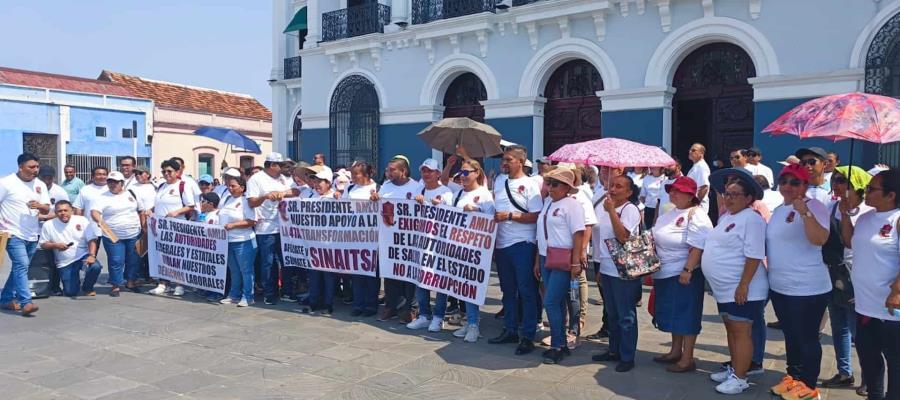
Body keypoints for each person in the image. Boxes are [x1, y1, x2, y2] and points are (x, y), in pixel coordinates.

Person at [766, 164, 832, 400]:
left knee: (807, 337)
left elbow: (819, 239)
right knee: (791, 335)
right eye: (784, 181)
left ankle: (809, 385)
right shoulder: (778, 209)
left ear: (805, 185)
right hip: (780, 286)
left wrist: (805, 212)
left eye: (795, 182)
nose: (788, 187)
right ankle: (793, 376)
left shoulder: (815, 206)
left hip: (807, 287)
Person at [702, 174, 767, 394]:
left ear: (749, 198)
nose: (729, 199)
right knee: (732, 329)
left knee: (741, 331)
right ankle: (735, 368)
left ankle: (741, 377)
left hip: (742, 287)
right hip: (724, 288)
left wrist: (744, 285)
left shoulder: (752, 219)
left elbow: (754, 254)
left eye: (735, 195)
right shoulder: (727, 217)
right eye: (726, 194)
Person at [650, 176, 713, 373]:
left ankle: (688, 358)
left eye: (678, 191)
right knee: (673, 313)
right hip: (664, 272)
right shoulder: (669, 212)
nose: (673, 193)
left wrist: (688, 269)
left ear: (690, 195)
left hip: (684, 273)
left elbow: (698, 246)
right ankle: (675, 350)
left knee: (686, 314)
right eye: (671, 190)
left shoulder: (697, 214)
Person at [820, 166, 873, 390]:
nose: (837, 185)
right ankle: (844, 372)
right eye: (836, 180)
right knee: (839, 324)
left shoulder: (866, 212)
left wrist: (846, 215)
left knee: (859, 330)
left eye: (843, 181)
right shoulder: (831, 206)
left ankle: (869, 377)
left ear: (858, 186)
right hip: (833, 271)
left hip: (855, 273)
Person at [848, 169, 900, 400]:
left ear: (891, 195)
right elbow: (850, 242)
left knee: (895, 360)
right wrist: (843, 214)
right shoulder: (866, 217)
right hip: (865, 303)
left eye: (871, 189)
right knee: (868, 357)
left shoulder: (897, 220)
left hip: (891, 307)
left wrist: (897, 291)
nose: (865, 192)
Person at [488, 146, 543, 355]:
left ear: (520, 162)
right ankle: (510, 328)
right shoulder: (499, 182)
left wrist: (510, 217)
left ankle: (527, 334)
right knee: (507, 290)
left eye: (509, 159)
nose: (505, 163)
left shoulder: (530, 185)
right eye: (504, 159)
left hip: (522, 244)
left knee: (526, 290)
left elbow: (536, 215)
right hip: (502, 244)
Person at [591, 174, 643, 372]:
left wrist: (612, 211)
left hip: (624, 270)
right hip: (606, 267)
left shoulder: (629, 210)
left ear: (629, 192)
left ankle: (627, 355)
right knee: (612, 313)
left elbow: (623, 237)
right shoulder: (605, 207)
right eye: (612, 185)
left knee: (625, 314)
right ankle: (614, 349)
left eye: (619, 186)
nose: (613, 189)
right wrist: (599, 267)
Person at [534, 168, 585, 364]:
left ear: (566, 187)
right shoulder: (548, 203)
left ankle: (557, 344)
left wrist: (575, 261)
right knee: (557, 302)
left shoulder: (571, 205)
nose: (550, 188)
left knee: (551, 301)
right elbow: (541, 233)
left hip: (563, 257)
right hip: (547, 256)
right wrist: (538, 260)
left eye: (555, 184)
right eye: (549, 183)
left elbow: (578, 233)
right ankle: (561, 342)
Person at [372, 155, 424, 323]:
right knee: (390, 274)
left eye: (393, 170)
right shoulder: (385, 186)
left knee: (409, 275)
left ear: (403, 171)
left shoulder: (416, 187)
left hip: (409, 240)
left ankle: (411, 308)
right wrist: (374, 199)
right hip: (389, 239)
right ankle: (390, 307)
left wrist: (420, 201)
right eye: (388, 169)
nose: (389, 173)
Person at [449, 159, 494, 342]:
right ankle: (469, 320)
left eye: (467, 172)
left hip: (476, 247)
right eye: (461, 172)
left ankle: (474, 323)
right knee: (462, 285)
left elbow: (491, 219)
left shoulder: (484, 194)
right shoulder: (458, 194)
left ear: (477, 173)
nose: (463, 176)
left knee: (472, 285)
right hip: (458, 244)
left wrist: (476, 211)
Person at [406, 159, 455, 330]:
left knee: (440, 279)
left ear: (438, 174)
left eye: (430, 171)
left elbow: (451, 216)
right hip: (421, 242)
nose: (426, 174)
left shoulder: (446, 192)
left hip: (439, 243)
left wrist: (433, 205)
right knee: (421, 279)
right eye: (424, 171)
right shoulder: (418, 190)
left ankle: (438, 316)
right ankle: (424, 314)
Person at [0, 153, 50, 316]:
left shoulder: (40, 185)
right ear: (20, 167)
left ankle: (5, 299)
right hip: (12, 233)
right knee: (21, 264)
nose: (35, 170)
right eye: (31, 167)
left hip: (32, 233)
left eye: (37, 167)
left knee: (20, 267)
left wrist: (40, 206)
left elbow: (47, 209)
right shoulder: (6, 183)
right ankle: (26, 302)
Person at [246, 152, 297, 305]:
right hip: (265, 228)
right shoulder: (257, 179)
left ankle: (287, 291)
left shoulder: (284, 178)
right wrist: (265, 197)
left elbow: (296, 191)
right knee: (268, 262)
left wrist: (283, 193)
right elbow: (251, 202)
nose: (283, 168)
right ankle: (270, 292)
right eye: (280, 165)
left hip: (284, 227)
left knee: (286, 260)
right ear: (272, 165)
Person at [91, 171, 146, 296]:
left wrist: (143, 226)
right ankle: (115, 285)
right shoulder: (102, 197)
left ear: (122, 183)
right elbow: (94, 212)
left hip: (133, 233)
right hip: (112, 235)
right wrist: (101, 222)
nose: (112, 184)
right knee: (116, 260)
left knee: (133, 259)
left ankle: (130, 282)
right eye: (110, 181)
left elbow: (141, 210)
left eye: (115, 182)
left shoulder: (132, 194)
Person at [148, 159, 197, 296]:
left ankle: (179, 284)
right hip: (161, 228)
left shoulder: (183, 185)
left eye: (169, 171)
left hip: (177, 226)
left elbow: (191, 206)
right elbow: (158, 204)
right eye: (164, 171)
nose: (166, 174)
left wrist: (176, 212)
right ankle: (164, 283)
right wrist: (151, 210)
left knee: (177, 256)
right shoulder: (161, 186)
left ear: (177, 172)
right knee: (163, 255)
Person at [39, 200, 102, 298]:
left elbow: (92, 239)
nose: (63, 213)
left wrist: (92, 255)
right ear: (55, 213)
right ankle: (74, 283)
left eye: (65, 210)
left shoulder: (82, 220)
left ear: (71, 211)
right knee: (70, 292)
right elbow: (43, 244)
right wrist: (56, 245)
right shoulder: (48, 225)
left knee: (95, 266)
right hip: (64, 262)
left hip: (82, 256)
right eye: (59, 211)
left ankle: (87, 287)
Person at [340, 161, 379, 316]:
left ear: (366, 174)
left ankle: (371, 305)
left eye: (356, 174)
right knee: (356, 273)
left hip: (372, 238)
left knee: (371, 274)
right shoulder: (349, 188)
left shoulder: (378, 188)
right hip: (353, 237)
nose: (353, 177)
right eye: (352, 174)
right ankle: (358, 304)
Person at [214, 177, 257, 307]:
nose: (230, 188)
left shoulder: (245, 201)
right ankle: (234, 295)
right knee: (234, 270)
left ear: (242, 188)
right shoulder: (226, 199)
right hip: (228, 241)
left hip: (243, 241)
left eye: (233, 186)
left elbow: (252, 221)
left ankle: (248, 296)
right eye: (229, 186)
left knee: (246, 270)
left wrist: (234, 225)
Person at [304, 166, 339, 314]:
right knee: (314, 275)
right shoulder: (310, 196)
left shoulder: (335, 198)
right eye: (316, 181)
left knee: (328, 276)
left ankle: (328, 303)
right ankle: (314, 302)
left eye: (321, 181)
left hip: (329, 244)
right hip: (312, 244)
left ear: (329, 183)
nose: (318, 184)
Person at [687, 143, 711, 213]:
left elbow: (704, 187)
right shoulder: (696, 166)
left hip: (698, 206)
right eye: (690, 150)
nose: (690, 152)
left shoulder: (701, 166)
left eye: (693, 150)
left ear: (701, 153)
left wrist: (695, 204)